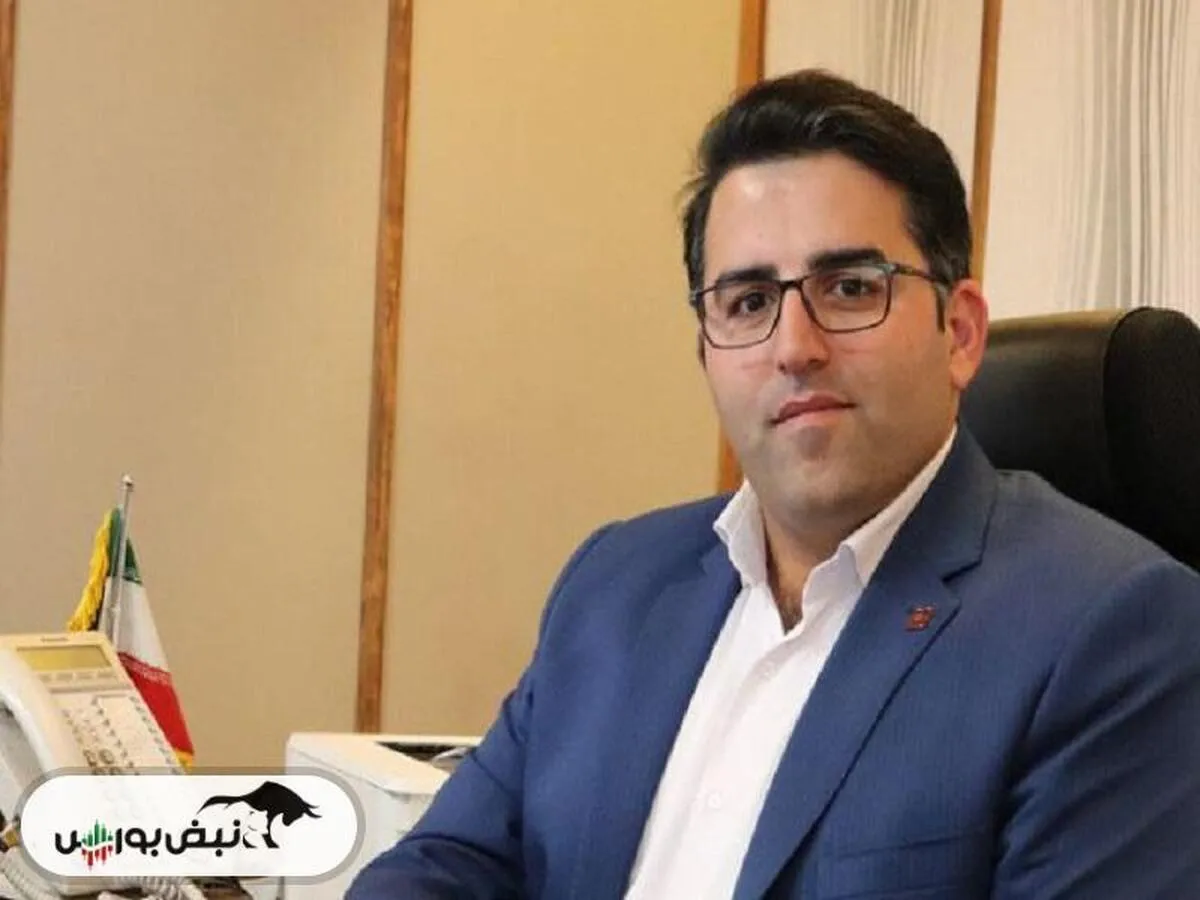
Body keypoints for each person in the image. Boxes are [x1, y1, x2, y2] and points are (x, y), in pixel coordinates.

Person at [347, 70, 1200, 899]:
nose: (795, 346)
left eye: (851, 288)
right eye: (749, 301)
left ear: (961, 332)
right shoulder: (615, 582)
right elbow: (446, 865)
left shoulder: (1116, 630)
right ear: (706, 351)